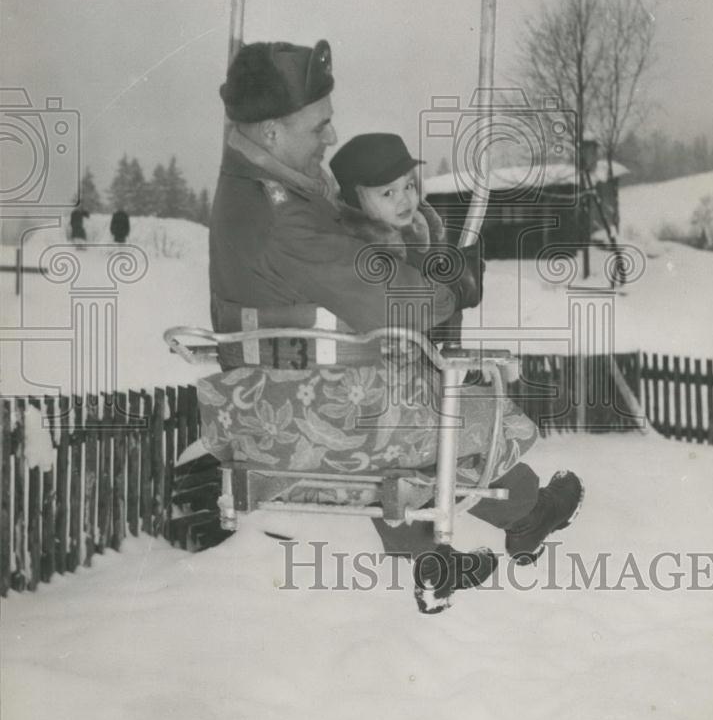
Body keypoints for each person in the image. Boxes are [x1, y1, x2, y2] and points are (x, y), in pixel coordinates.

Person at [208, 39, 583, 612]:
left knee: (428, 398)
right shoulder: (281, 216)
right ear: (271, 133)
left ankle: (448, 548)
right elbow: (391, 300)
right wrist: (452, 285)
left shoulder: (259, 193)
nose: (330, 138)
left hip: (289, 396)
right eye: (319, 127)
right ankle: (528, 512)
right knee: (470, 404)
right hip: (311, 411)